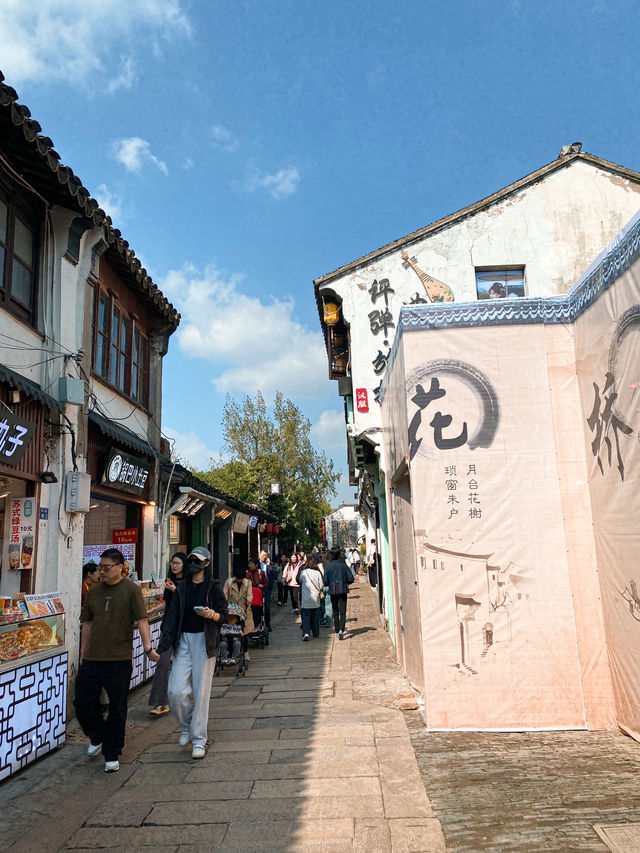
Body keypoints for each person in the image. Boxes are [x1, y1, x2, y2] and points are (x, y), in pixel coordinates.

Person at [75, 548, 159, 773]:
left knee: (117, 707)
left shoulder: (131, 590)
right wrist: (83, 654)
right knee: (82, 703)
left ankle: (111, 753)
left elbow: (141, 620)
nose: (101, 571)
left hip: (119, 658)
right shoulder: (93, 592)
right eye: (100, 567)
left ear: (120, 567)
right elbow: (87, 624)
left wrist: (148, 647)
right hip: (93, 658)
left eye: (106, 567)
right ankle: (97, 735)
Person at [155, 546, 227, 759]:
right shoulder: (182, 587)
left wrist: (211, 614)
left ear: (207, 563)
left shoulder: (213, 587)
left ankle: (199, 739)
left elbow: (224, 616)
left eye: (198, 560)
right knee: (175, 690)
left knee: (201, 693)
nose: (193, 563)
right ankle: (185, 725)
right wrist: (162, 647)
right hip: (183, 640)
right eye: (191, 559)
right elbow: (172, 617)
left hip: (204, 642)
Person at [148, 552, 187, 716]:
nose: (174, 565)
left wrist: (177, 590)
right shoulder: (169, 582)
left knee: (183, 666)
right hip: (168, 628)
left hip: (184, 629)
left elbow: (189, 603)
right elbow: (168, 604)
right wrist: (153, 610)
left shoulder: (187, 584)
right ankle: (160, 702)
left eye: (177, 563)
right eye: (172, 563)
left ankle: (182, 698)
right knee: (162, 662)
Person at [323, 547, 355, 640]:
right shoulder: (343, 566)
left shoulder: (328, 567)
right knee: (343, 611)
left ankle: (337, 630)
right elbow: (351, 578)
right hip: (342, 589)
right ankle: (341, 629)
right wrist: (345, 583)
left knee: (335, 611)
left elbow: (325, 581)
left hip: (333, 590)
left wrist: (330, 583)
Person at [297, 557, 324, 640]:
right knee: (315, 617)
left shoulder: (303, 572)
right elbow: (321, 585)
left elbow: (299, 580)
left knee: (305, 617)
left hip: (305, 599)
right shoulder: (317, 573)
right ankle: (316, 633)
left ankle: (306, 633)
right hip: (315, 599)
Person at [247, 557, 268, 630]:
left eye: (251, 564)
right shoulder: (247, 573)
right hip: (248, 597)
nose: (249, 565)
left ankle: (258, 625)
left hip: (258, 597)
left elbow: (266, 583)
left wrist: (262, 585)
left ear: (256, 565)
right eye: (249, 564)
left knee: (258, 611)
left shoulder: (261, 573)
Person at [259, 549, 275, 631]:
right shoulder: (256, 564)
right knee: (258, 607)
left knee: (267, 608)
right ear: (259, 554)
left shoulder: (268, 564)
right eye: (263, 555)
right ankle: (258, 624)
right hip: (258, 588)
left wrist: (269, 565)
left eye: (265, 555)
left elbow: (273, 574)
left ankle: (268, 624)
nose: (264, 557)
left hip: (267, 588)